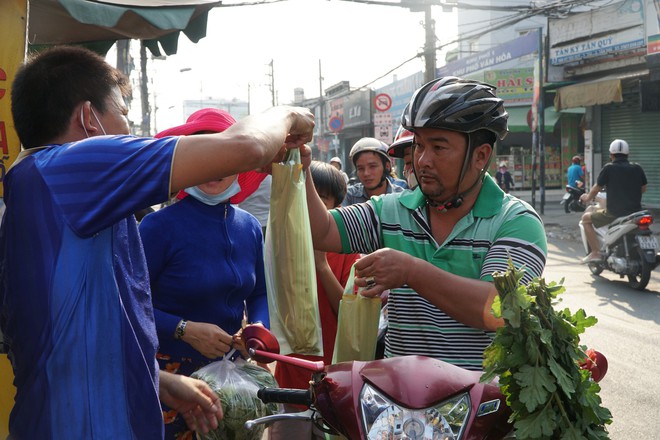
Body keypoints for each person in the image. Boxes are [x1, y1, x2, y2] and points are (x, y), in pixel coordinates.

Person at [0, 45, 314, 439]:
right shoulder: (70, 167)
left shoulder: (52, 187)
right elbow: (247, 147)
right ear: (89, 119)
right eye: (124, 115)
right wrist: (286, 114)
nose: (130, 132)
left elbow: (86, 335)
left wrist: (160, 382)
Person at [302, 76, 547, 371]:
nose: (422, 160)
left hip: (480, 409)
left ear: (480, 155)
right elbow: (322, 231)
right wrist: (300, 169)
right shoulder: (390, 211)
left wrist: (410, 271)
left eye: (439, 147)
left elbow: (499, 309)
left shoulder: (517, 221)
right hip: (397, 407)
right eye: (419, 146)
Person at [138, 108, 271, 439]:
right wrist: (183, 328)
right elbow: (125, 304)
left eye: (223, 155)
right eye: (204, 155)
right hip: (167, 378)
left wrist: (256, 329)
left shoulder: (250, 227)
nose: (214, 167)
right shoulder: (157, 227)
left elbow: (259, 293)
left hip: (231, 376)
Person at [270, 161, 360, 439]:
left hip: (334, 377)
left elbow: (348, 314)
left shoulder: (348, 248)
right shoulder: (283, 242)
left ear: (336, 203)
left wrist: (321, 264)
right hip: (290, 376)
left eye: (322, 198)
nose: (311, 205)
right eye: (305, 196)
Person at [579, 139, 647, 263]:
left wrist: (587, 197)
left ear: (611, 155)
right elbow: (643, 189)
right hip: (636, 212)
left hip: (615, 213)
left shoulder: (609, 168)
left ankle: (595, 252)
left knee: (585, 219)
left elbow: (597, 188)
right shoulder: (637, 168)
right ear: (627, 154)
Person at [342, 137, 405, 206]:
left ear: (387, 166)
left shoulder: (401, 196)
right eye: (360, 168)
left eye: (372, 166)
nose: (366, 173)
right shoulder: (348, 196)